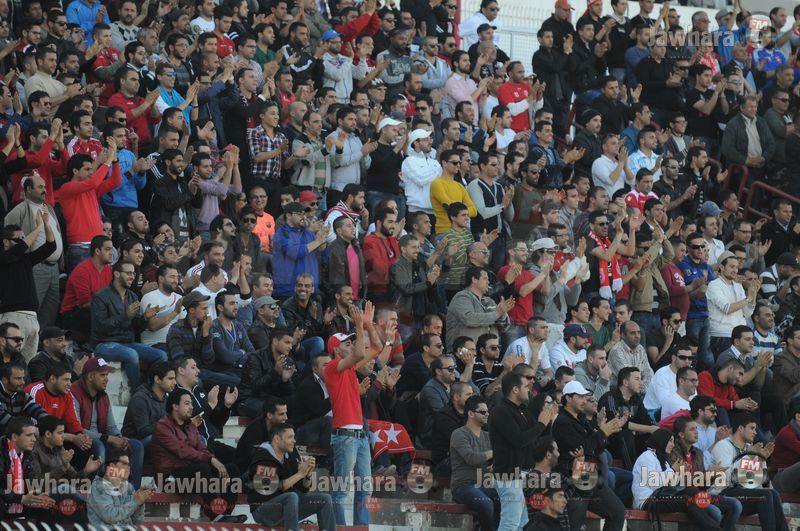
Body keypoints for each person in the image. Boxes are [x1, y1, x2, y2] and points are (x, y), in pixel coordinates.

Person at [152, 388, 245, 523]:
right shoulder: (162, 426)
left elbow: (203, 449)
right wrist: (211, 460)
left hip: (191, 475)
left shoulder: (190, 426)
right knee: (203, 469)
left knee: (231, 469)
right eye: (187, 403)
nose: (191, 407)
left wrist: (216, 462)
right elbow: (182, 450)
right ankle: (215, 515)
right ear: (175, 406)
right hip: (169, 479)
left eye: (191, 403)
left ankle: (224, 514)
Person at [552, 380, 626, 531]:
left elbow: (595, 449)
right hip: (571, 478)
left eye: (585, 397)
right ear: (568, 398)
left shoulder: (581, 419)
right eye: (580, 397)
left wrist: (606, 431)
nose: (584, 400)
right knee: (574, 525)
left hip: (588, 474)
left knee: (618, 512)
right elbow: (580, 448)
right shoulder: (562, 422)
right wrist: (602, 432)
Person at [489, 372, 557, 530]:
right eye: (526, 386)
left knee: (522, 523)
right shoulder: (501, 411)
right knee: (510, 522)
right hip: (507, 474)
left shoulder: (522, 410)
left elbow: (538, 439)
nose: (529, 389)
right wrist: (541, 424)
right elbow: (519, 440)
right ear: (515, 389)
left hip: (519, 474)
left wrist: (548, 420)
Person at [90, 260, 167, 389]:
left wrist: (145, 318)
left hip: (127, 342)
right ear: (116, 274)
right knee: (131, 355)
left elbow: (136, 328)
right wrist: (125, 315)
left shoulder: (132, 296)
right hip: (104, 343)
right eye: (128, 273)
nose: (132, 276)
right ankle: (138, 391)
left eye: (133, 273)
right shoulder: (101, 296)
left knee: (162, 356)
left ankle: (151, 389)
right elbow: (101, 327)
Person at [71, 357, 145, 488]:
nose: (107, 379)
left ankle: (132, 491)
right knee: (99, 446)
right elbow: (77, 429)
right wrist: (109, 439)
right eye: (102, 375)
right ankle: (99, 489)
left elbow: (111, 427)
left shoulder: (103, 396)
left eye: (107, 375)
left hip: (102, 440)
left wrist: (119, 439)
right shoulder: (73, 393)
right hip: (81, 444)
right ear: (90, 376)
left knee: (136, 446)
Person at [247, 422, 336, 529]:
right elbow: (272, 487)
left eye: (294, 437)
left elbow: (303, 488)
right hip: (262, 510)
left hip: (287, 509)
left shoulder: (290, 456)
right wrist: (300, 474)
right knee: (291, 496)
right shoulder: (263, 458)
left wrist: (307, 474)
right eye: (290, 437)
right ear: (277, 439)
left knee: (324, 499)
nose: (294, 441)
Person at [632, 429, 726, 529]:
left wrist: (680, 473)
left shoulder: (662, 460)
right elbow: (654, 484)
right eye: (670, 441)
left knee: (692, 491)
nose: (673, 445)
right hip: (648, 501)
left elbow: (670, 484)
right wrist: (673, 470)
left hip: (662, 495)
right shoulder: (646, 457)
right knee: (688, 501)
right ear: (661, 440)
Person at [711, 413, 789, 531]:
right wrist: (749, 457)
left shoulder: (749, 449)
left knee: (772, 494)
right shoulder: (722, 446)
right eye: (752, 428)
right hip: (723, 494)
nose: (755, 432)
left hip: (744, 495)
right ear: (741, 429)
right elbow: (726, 478)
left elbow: (762, 484)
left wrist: (761, 461)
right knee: (765, 495)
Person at [449, 395, 498, 531]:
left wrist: (495, 465)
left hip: (485, 484)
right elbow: (471, 458)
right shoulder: (459, 434)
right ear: (470, 414)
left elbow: (498, 458)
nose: (487, 414)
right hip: (463, 486)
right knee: (486, 504)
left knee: (508, 499)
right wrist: (492, 453)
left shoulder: (488, 436)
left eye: (487, 411)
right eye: (483, 412)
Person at [707, 252, 759, 357]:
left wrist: (753, 296)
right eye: (732, 267)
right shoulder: (714, 285)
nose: (735, 270)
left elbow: (747, 313)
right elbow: (727, 309)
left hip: (740, 335)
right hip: (722, 335)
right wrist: (748, 298)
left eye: (736, 267)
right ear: (722, 267)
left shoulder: (738, 286)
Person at [86, 448, 152, 529]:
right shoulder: (98, 487)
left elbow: (137, 521)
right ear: (112, 466)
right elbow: (110, 517)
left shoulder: (128, 486)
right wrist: (136, 502)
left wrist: (140, 502)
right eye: (124, 464)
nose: (128, 467)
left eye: (129, 464)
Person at [121, 361, 176, 449]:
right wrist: (170, 427)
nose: (174, 382)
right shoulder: (140, 398)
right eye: (170, 379)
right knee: (161, 438)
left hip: (158, 439)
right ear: (157, 379)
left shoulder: (167, 399)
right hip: (136, 444)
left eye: (174, 379)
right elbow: (143, 431)